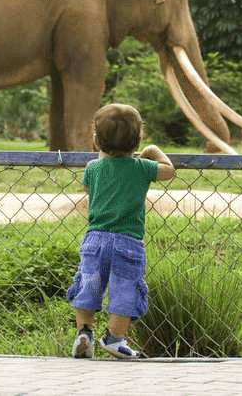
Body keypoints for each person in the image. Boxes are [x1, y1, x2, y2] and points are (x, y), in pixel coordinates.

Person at [66, 103, 176, 359]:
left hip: (95, 239)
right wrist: (153, 150)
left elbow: (89, 190)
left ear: (96, 141)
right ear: (139, 139)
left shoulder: (92, 168)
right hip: (127, 241)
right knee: (125, 288)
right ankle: (114, 338)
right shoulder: (142, 167)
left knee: (89, 284)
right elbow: (169, 170)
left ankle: (84, 332)